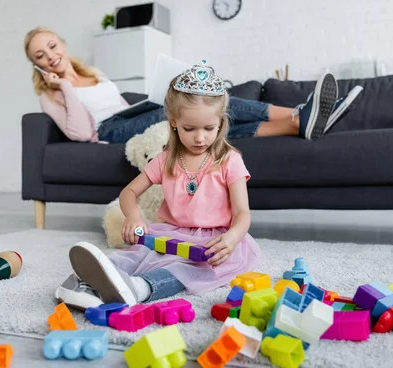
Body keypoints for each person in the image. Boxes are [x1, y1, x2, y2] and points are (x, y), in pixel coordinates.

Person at [57, 62, 263, 308]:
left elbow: (242, 213)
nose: (200, 137)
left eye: (209, 128)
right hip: (171, 234)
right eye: (190, 128)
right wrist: (133, 216)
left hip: (214, 241)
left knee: (188, 269)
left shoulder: (230, 160)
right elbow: (129, 192)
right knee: (136, 256)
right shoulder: (166, 159)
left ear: (220, 123)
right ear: (174, 122)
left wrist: (231, 238)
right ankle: (88, 280)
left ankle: (140, 288)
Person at [24, 26, 362, 144]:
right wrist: (64, 86)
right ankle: (301, 114)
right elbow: (81, 133)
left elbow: (121, 105)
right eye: (41, 55)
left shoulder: (94, 72)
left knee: (204, 109)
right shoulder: (49, 96)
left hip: (130, 116)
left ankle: (297, 124)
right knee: (193, 108)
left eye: (52, 46)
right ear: (37, 64)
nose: (50, 56)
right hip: (109, 132)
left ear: (63, 44)